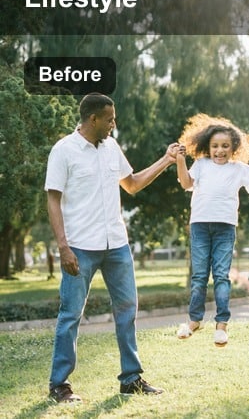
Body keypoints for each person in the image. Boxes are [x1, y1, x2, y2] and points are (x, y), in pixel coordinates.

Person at [44, 93, 171, 403]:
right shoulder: (64, 150)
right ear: (93, 119)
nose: (114, 123)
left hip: (116, 244)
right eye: (110, 119)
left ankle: (131, 379)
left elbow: (132, 184)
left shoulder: (112, 147)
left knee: (127, 310)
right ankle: (59, 385)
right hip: (80, 247)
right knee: (70, 315)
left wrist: (166, 160)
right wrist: (63, 247)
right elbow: (53, 199)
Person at [174, 114, 249, 347]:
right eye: (215, 146)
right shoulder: (201, 164)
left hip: (225, 228)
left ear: (234, 147)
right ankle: (194, 321)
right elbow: (186, 183)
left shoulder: (238, 169)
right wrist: (180, 160)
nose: (220, 151)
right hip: (200, 226)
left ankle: (221, 325)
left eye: (225, 146)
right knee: (199, 276)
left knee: (221, 275)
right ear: (207, 147)